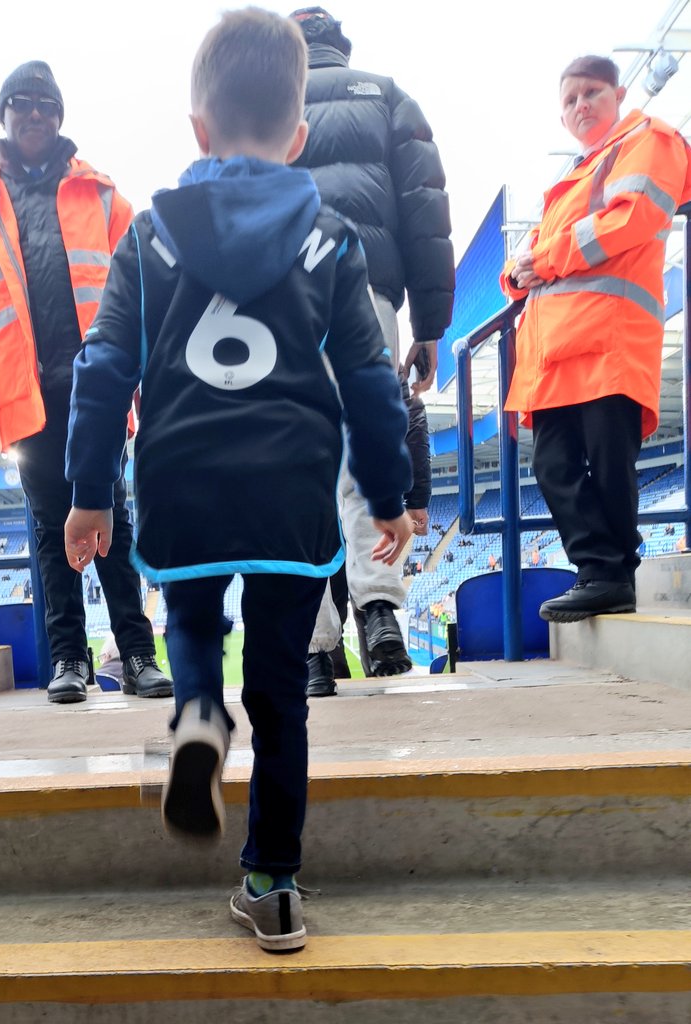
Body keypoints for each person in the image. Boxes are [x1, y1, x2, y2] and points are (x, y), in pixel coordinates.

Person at [63, 8, 412, 953]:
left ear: (196, 128)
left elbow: (103, 368)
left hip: (179, 481)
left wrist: (88, 491)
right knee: (284, 694)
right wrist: (389, 494)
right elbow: (371, 380)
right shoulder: (331, 237)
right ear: (299, 138)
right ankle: (273, 885)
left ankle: (195, 718)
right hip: (291, 490)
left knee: (189, 622)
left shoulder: (148, 235)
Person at [0, 60, 172, 704]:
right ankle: (68, 659)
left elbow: (144, 292)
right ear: (4, 115)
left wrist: (149, 379)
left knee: (113, 524)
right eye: (20, 100)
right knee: (49, 527)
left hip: (99, 384)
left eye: (44, 101)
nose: (33, 110)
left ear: (60, 115)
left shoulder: (102, 196)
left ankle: (137, 656)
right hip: (24, 392)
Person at [289, 7, 452, 687]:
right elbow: (424, 208)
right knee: (365, 454)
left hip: (279, 300)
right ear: (339, 45)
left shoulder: (261, 98)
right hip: (365, 295)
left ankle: (311, 645)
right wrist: (430, 323)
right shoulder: (385, 94)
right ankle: (379, 613)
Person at [502, 55, 691, 622]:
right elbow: (519, 265)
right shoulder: (571, 180)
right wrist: (520, 271)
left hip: (609, 338)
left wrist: (544, 260)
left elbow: (629, 222)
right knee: (553, 466)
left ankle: (610, 574)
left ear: (619, 93)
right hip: (556, 350)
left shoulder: (650, 139)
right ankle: (599, 570)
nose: (580, 106)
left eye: (591, 94)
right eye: (569, 100)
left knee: (610, 461)